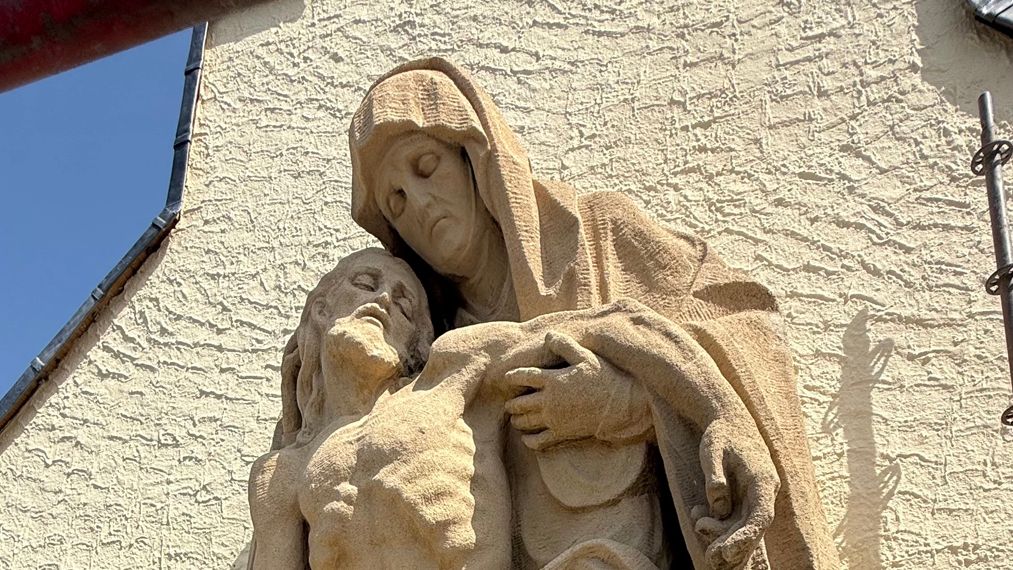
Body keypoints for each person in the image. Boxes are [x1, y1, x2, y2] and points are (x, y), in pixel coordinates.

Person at [348, 58, 841, 569]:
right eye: (396, 201)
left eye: (426, 166)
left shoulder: (597, 237)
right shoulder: (426, 345)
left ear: (473, 160)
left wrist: (629, 400)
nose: (420, 202)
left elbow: (745, 326)